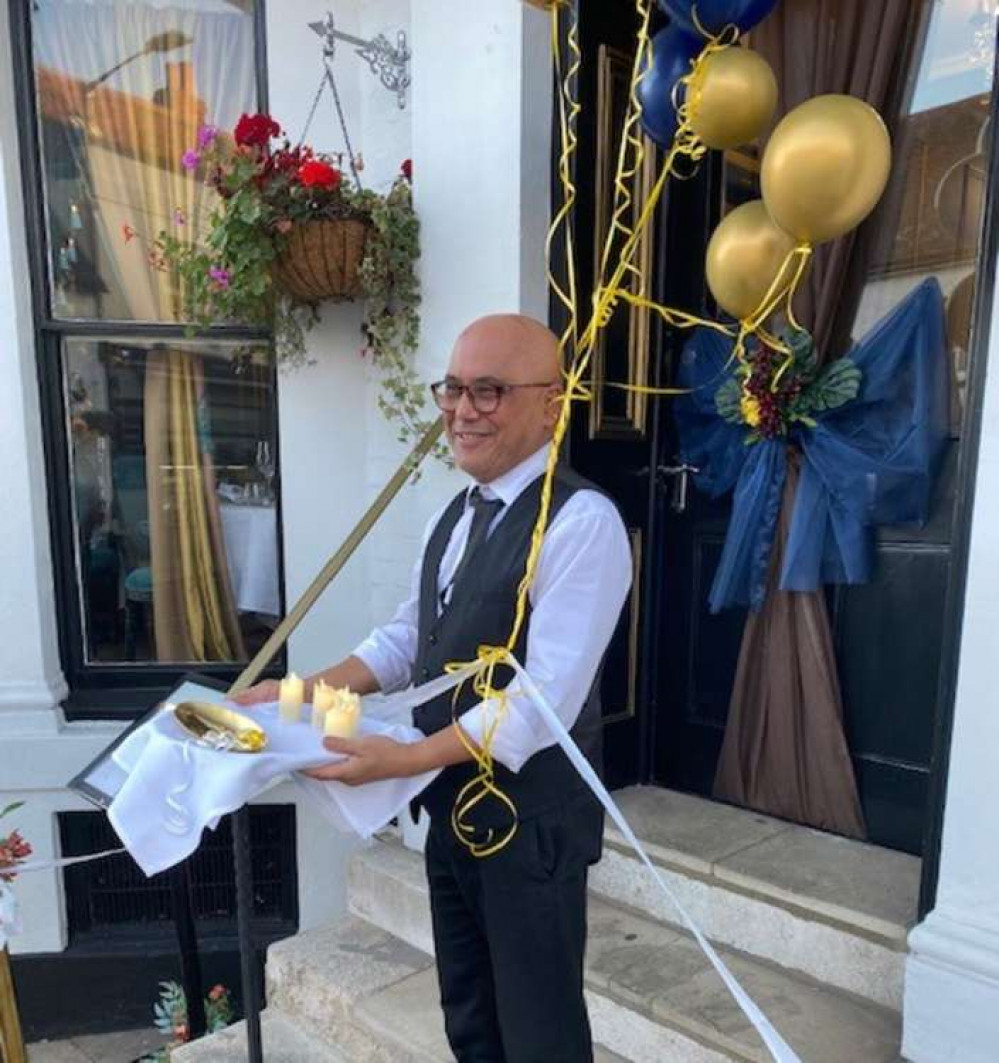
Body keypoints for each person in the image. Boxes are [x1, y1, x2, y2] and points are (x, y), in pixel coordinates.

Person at [235, 313, 632, 1061]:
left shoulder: (583, 523)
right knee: (471, 1021)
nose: (461, 409)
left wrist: (402, 759)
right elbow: (402, 641)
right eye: (453, 387)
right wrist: (291, 693)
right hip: (453, 818)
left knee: (539, 1033)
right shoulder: (453, 513)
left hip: (530, 829)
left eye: (489, 390)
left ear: (552, 402)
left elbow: (541, 697)